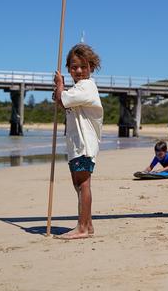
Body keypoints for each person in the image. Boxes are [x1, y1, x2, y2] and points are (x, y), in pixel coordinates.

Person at [53, 43, 103, 240]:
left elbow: (62, 98)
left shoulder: (87, 87)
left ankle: (82, 227)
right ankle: (87, 224)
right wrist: (59, 91)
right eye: (74, 67)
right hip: (76, 144)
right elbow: (61, 100)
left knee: (83, 184)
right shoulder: (77, 88)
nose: (79, 70)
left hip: (84, 145)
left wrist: (59, 85)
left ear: (90, 67)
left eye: (83, 66)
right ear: (68, 68)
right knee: (78, 184)